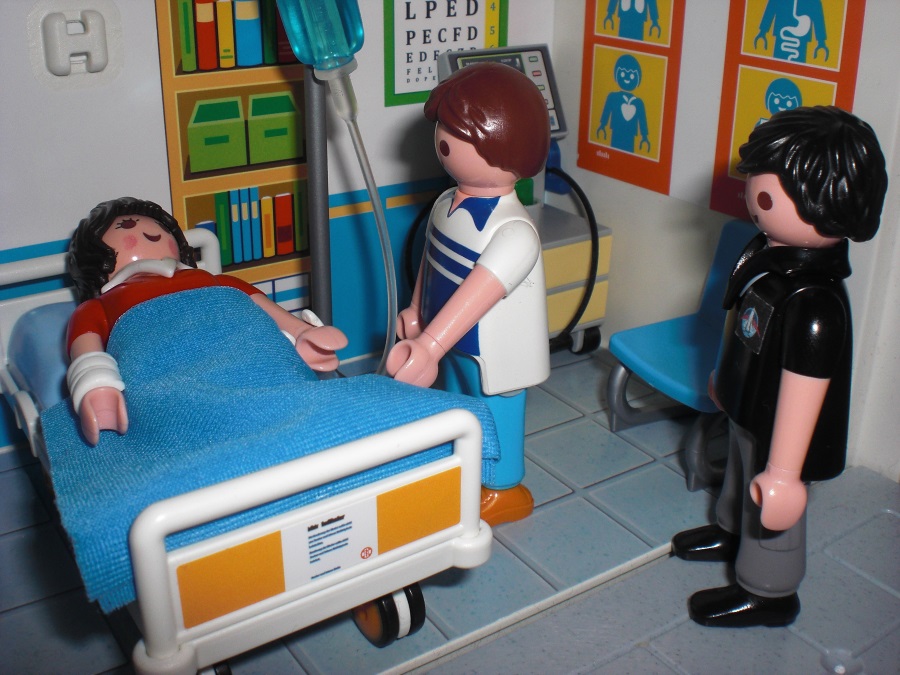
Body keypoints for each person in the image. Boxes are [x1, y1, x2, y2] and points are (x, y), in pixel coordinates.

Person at [672, 106, 887, 627]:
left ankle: (769, 591)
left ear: (826, 205)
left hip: (783, 432)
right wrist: (726, 383)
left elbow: (805, 384)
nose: (751, 200)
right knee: (737, 478)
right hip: (749, 406)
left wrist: (787, 474)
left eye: (766, 196)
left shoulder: (816, 303)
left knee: (773, 510)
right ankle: (731, 531)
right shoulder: (770, 263)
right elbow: (745, 328)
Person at [386, 62, 551, 526]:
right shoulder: (445, 203)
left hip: (491, 352)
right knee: (459, 407)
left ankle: (504, 488)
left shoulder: (514, 231)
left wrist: (429, 344)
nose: (442, 140)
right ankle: (467, 471)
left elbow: (480, 291)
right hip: (449, 342)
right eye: (444, 129)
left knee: (497, 414)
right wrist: (416, 311)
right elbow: (431, 260)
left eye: (456, 133)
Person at [66, 197, 347, 445]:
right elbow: (86, 350)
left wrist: (301, 333)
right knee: (177, 410)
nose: (150, 233)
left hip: (248, 352)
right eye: (127, 226)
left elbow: (263, 308)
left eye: (160, 227)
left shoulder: (217, 281)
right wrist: (96, 384)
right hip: (166, 373)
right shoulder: (99, 306)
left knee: (281, 377)